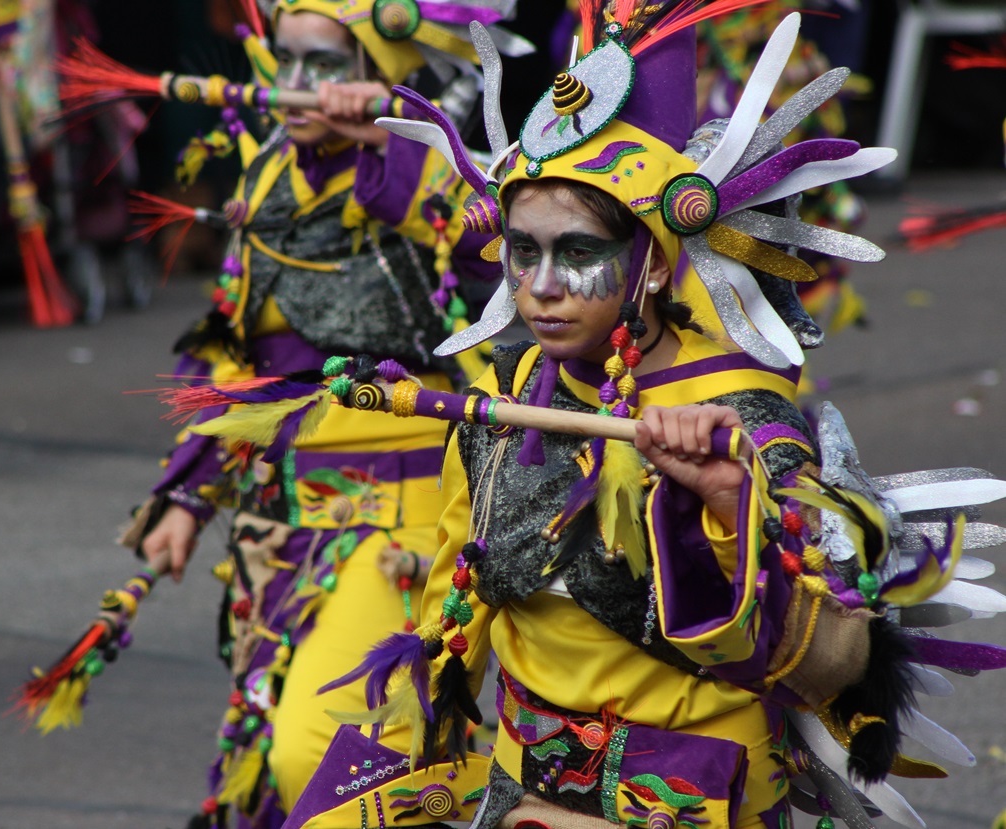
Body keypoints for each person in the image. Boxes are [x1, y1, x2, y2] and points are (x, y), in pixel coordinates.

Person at [279, 8, 1006, 829]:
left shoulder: (741, 414)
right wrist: (417, 737)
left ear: (653, 262)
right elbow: (460, 585)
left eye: (578, 253)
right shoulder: (511, 384)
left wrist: (731, 502)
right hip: (524, 796)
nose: (542, 285)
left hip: (682, 800)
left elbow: (835, 657)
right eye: (523, 251)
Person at [115, 3, 531, 828]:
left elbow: (504, 265)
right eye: (288, 61)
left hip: (405, 525)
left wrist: (389, 137)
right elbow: (238, 352)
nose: (300, 85)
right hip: (288, 518)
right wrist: (188, 493)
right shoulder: (269, 172)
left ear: (378, 71)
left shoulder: (438, 163)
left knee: (327, 751)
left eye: (326, 63)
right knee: (271, 746)